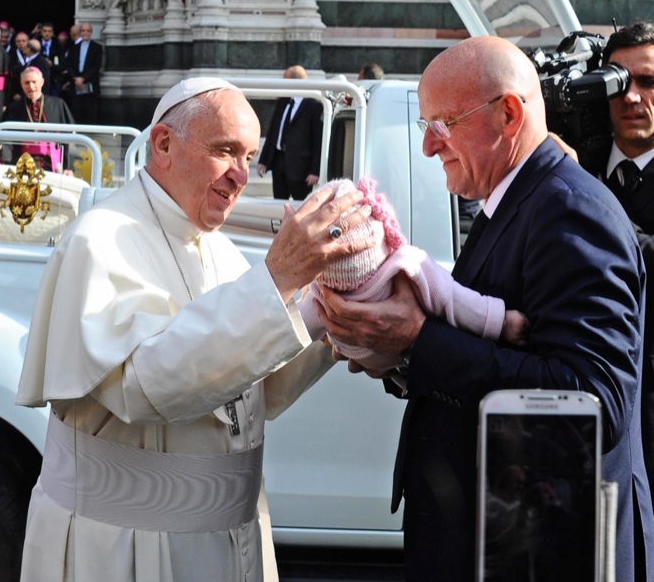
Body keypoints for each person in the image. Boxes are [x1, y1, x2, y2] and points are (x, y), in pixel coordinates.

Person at [317, 35, 654, 581]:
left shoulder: (569, 211)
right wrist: (394, 354)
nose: (428, 146)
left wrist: (418, 341)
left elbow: (593, 403)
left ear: (509, 114)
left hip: (540, 553)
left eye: (442, 124)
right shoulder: (513, 197)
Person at [17, 78, 376, 582]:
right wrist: (277, 281)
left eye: (250, 157)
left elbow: (254, 397)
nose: (241, 176)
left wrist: (329, 315)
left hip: (232, 535)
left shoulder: (220, 249)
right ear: (163, 144)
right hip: (126, 545)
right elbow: (143, 387)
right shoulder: (98, 242)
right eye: (225, 151)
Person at [295, 177, 527, 384]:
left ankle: (398, 374)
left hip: (380, 361)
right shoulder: (405, 264)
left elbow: (293, 332)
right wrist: (501, 322)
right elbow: (456, 300)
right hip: (390, 362)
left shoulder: (320, 292)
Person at [592, 20, 654, 498]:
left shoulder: (574, 184)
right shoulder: (577, 166)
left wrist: (581, 202)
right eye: (618, 80)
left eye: (648, 83)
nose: (631, 97)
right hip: (583, 418)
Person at [256, 65, 322, 199]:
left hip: (301, 168)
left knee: (300, 206)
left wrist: (315, 171)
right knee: (279, 203)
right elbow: (273, 132)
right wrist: (263, 160)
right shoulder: (283, 101)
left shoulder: (314, 105)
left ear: (293, 81)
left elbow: (318, 140)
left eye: (284, 79)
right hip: (279, 163)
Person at [1, 66, 74, 172]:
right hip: (22, 164)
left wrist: (68, 167)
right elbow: (6, 140)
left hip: (53, 164)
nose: (31, 86)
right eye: (26, 83)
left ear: (42, 82)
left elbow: (70, 138)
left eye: (34, 82)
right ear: (21, 84)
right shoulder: (14, 108)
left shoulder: (57, 105)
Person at [61, 22, 103, 125]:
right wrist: (76, 78)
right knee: (76, 111)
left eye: (88, 31)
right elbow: (69, 65)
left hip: (90, 84)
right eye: (83, 31)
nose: (85, 33)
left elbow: (97, 66)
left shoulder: (97, 47)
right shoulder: (73, 48)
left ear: (91, 32)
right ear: (80, 33)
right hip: (75, 85)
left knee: (90, 112)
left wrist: (83, 79)